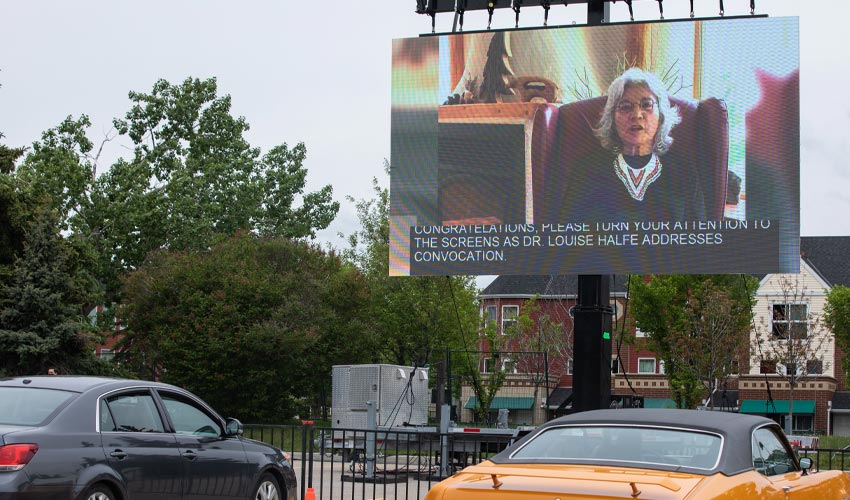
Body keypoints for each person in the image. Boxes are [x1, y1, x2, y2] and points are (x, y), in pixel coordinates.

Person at [557, 68, 706, 222]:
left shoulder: (683, 171)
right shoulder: (588, 170)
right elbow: (567, 236)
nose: (636, 115)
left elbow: (698, 238)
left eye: (646, 105)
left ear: (661, 116)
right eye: (626, 107)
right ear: (612, 119)